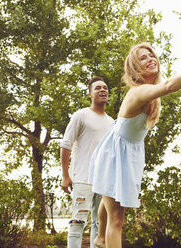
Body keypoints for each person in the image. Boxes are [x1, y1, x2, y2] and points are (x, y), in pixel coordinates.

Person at [88, 42, 181, 248]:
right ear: (135, 68)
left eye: (151, 55)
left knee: (110, 193)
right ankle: (103, 239)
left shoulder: (152, 95)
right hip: (114, 152)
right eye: (143, 58)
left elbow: (163, 86)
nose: (150, 59)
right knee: (118, 219)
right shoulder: (137, 92)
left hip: (130, 152)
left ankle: (101, 237)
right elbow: (168, 87)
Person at [60, 76, 115, 248]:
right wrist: (65, 175)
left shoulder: (112, 122)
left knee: (100, 225)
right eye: (98, 88)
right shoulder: (81, 115)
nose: (103, 90)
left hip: (104, 182)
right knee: (78, 222)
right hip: (83, 178)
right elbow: (65, 145)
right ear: (90, 94)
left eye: (105, 88)